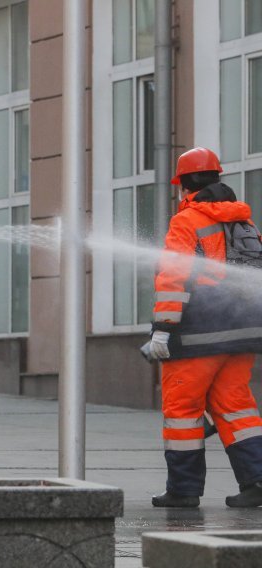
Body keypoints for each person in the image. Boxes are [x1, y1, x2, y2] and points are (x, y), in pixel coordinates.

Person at [146, 147, 262, 508]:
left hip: (198, 335)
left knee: (182, 411)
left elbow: (172, 277)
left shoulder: (187, 221)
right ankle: (257, 482)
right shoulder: (244, 221)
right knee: (237, 408)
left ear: (184, 185)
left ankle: (183, 491)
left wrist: (163, 328)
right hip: (242, 332)